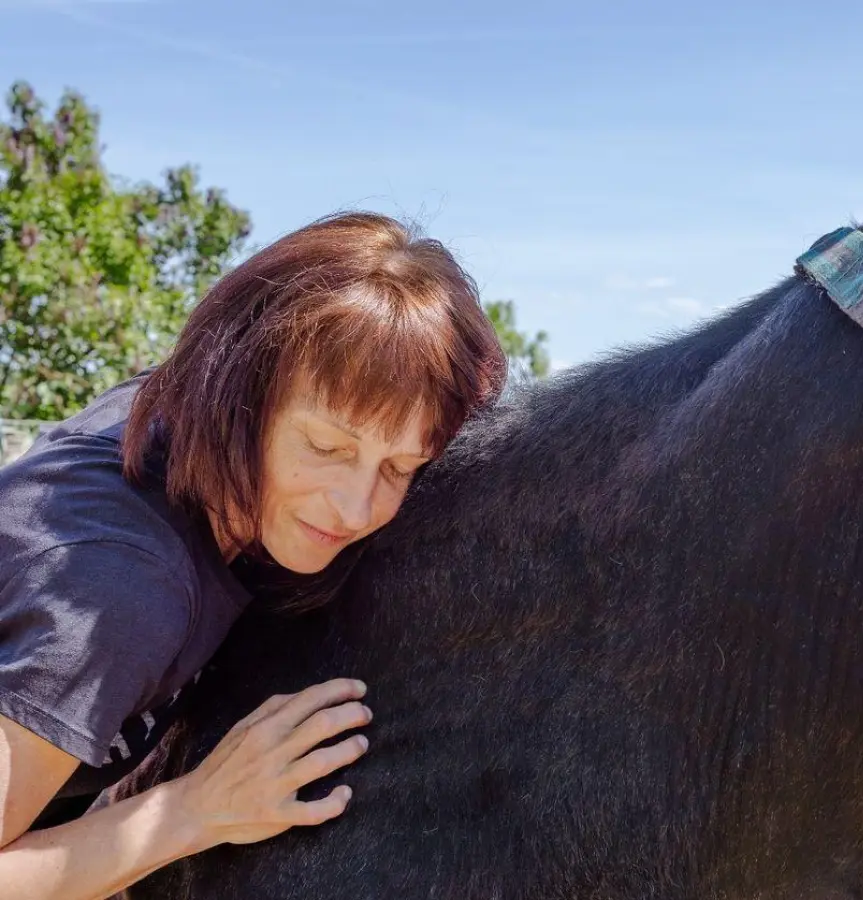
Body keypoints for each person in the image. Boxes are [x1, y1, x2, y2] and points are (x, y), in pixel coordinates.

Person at [0, 211, 508, 899]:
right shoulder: (120, 595)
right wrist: (195, 809)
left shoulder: (169, 424)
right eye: (327, 448)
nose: (356, 509)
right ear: (237, 390)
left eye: (400, 468)